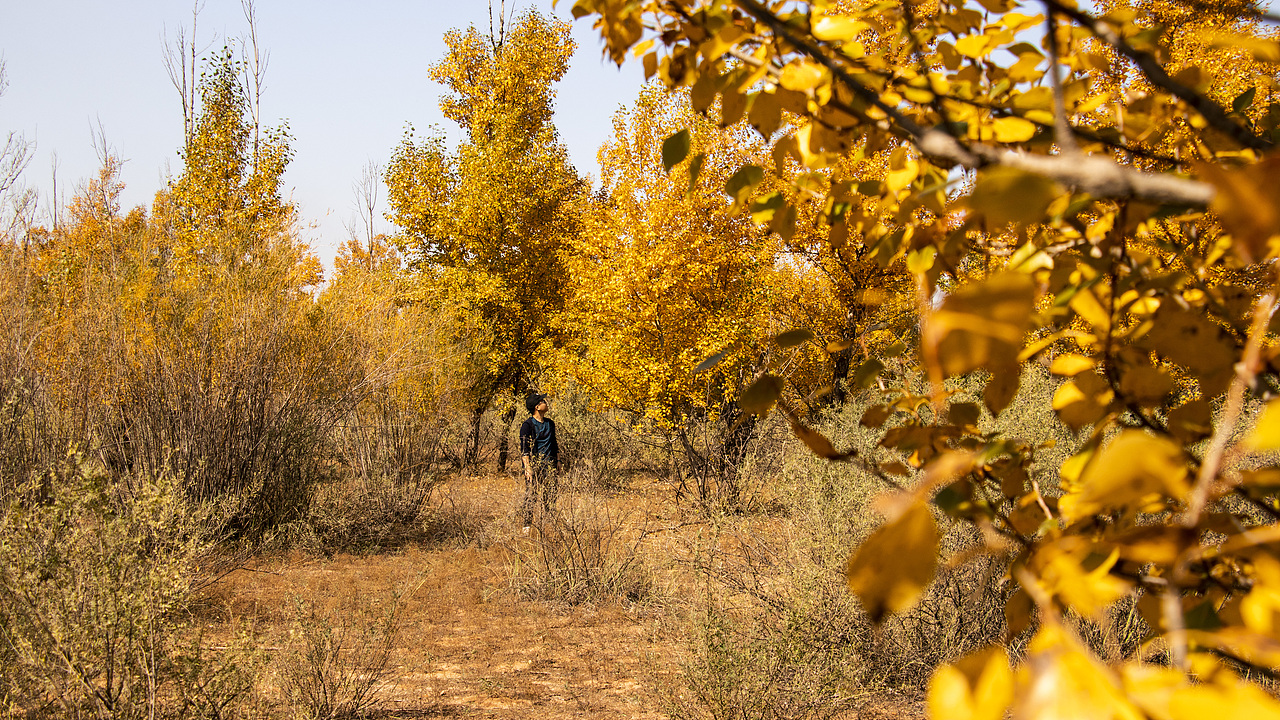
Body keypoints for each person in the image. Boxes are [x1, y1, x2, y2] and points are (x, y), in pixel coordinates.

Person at [519, 392, 560, 529]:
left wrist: (557, 462)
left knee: (551, 495)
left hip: (550, 465)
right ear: (537, 407)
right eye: (542, 401)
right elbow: (524, 448)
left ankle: (549, 524)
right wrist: (528, 467)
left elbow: (554, 444)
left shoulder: (550, 423)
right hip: (536, 466)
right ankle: (526, 526)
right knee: (531, 495)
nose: (545, 402)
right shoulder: (527, 425)